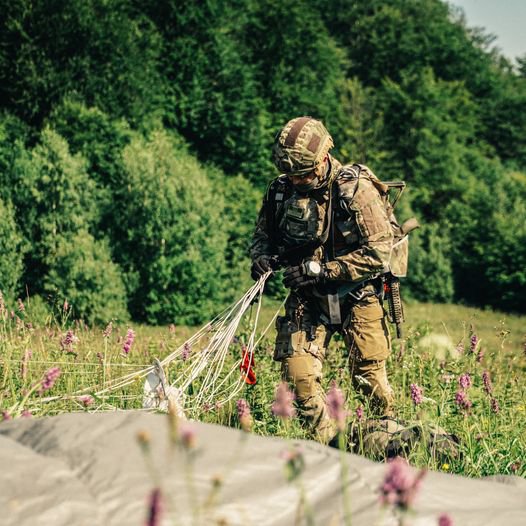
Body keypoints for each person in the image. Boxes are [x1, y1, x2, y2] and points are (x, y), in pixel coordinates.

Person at [250, 116, 395, 444]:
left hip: (356, 295)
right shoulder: (280, 190)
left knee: (369, 378)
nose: (298, 180)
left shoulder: (354, 190)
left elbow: (379, 251)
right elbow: (263, 235)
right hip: (307, 300)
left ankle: (385, 444)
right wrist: (260, 258)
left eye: (304, 172)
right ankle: (331, 450)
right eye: (292, 174)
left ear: (324, 158)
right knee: (298, 378)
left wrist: (324, 270)